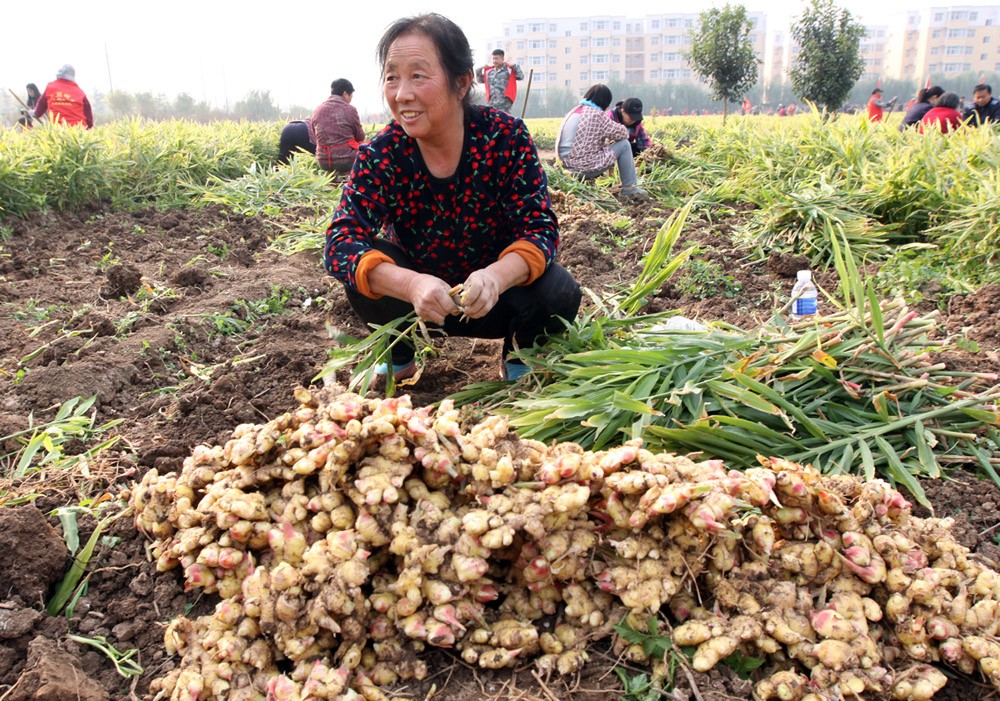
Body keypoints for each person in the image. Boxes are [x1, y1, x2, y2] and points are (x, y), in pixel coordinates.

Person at [324, 13, 581, 384]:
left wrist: (495, 277)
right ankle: (399, 356)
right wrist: (411, 284)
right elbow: (339, 242)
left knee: (559, 290)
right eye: (392, 76)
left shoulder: (504, 138)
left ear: (461, 83)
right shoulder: (382, 153)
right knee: (364, 264)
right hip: (417, 304)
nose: (402, 93)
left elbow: (540, 230)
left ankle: (520, 354)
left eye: (418, 75)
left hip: (496, 298)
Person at [556, 84, 647, 198]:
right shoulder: (597, 115)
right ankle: (628, 188)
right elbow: (624, 133)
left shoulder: (573, 111)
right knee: (624, 144)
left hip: (563, 165)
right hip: (581, 168)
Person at [312, 79, 366, 173]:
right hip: (346, 160)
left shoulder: (317, 110)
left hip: (323, 161)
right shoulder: (350, 109)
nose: (350, 99)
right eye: (351, 96)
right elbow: (360, 136)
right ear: (345, 94)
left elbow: (315, 136)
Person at [477, 49, 524, 113]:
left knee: (505, 122)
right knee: (491, 122)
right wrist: (479, 69)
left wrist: (515, 66)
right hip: (491, 104)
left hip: (504, 104)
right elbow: (480, 80)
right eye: (493, 59)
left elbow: (520, 77)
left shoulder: (509, 70)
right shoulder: (489, 72)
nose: (494, 61)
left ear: (502, 58)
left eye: (496, 59)